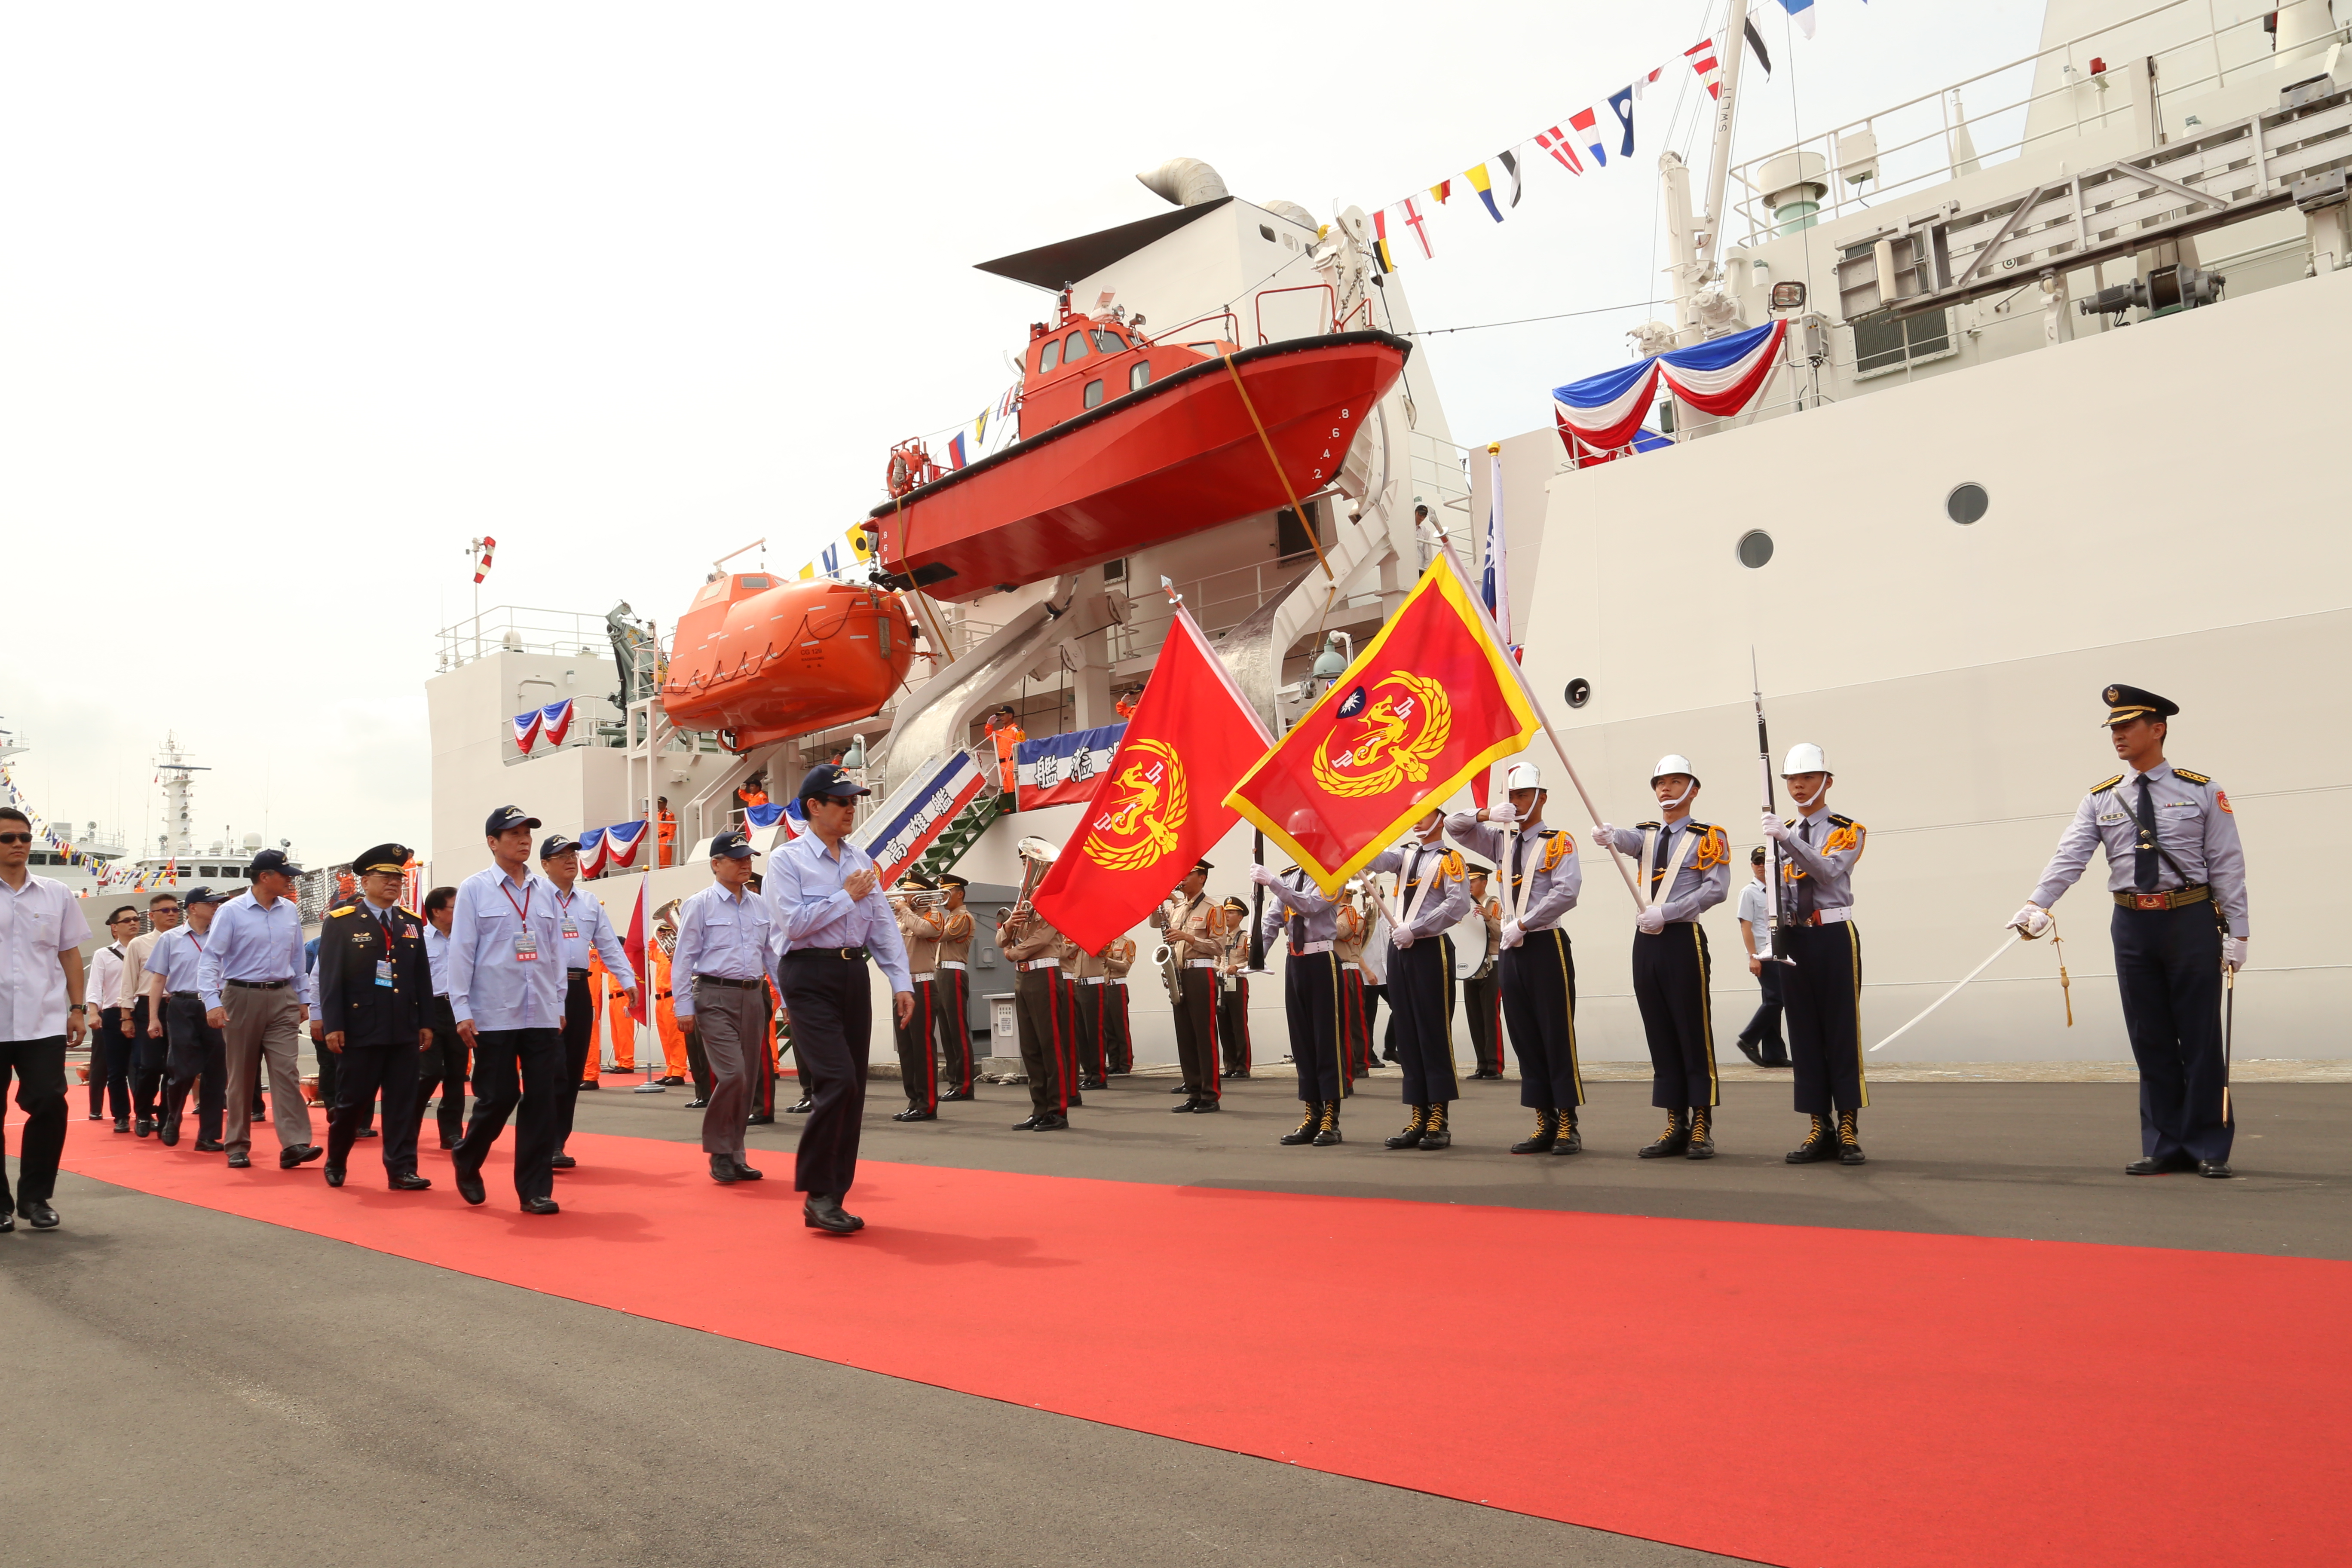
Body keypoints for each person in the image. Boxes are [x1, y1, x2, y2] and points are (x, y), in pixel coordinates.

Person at [2012, 685, 2248, 1179]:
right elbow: (2071, 856)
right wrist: (2038, 904)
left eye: (2127, 726)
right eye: (2113, 728)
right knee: (2150, 1036)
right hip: (2132, 923)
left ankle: (2207, 1144)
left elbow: (2227, 865)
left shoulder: (2202, 790)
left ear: (2157, 729)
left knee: (2200, 1036)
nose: (2117, 735)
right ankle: (2163, 1142)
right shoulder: (2101, 798)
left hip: (2190, 919)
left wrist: (2239, 933)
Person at [765, 765, 914, 1231]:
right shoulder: (786, 861)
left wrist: (900, 980)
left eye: (855, 800)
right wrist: (845, 897)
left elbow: (883, 924)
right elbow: (793, 925)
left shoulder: (860, 860)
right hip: (807, 973)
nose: (852, 808)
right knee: (837, 1079)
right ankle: (816, 1191)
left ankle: (833, 1195)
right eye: (843, 800)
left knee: (855, 1090)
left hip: (852, 972)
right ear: (814, 806)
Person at [1595, 755, 1732, 1160]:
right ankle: (1675, 1120)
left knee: (1692, 1029)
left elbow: (1716, 889)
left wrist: (1668, 912)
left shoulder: (1709, 836)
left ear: (1693, 789)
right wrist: (1608, 835)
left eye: (1675, 782)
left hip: (1681, 936)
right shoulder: (1648, 834)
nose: (1665, 789)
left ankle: (1702, 1123)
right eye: (1660, 783)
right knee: (1659, 1029)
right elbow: (1627, 840)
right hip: (1647, 941)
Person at [1449, 764, 1586, 1155]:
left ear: (1542, 797)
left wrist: (1524, 923)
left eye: (1524, 795)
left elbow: (1567, 892)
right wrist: (1486, 814)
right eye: (1511, 797)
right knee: (1524, 1035)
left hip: (1544, 941)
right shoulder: (1501, 841)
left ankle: (1567, 1124)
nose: (1517, 803)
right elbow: (1455, 827)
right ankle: (1543, 1120)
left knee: (1555, 1033)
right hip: (1512, 949)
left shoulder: (1559, 841)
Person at [446, 805, 570, 1215]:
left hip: (540, 1013)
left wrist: (559, 1003)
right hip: (494, 1013)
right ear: (492, 842)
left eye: (527, 833)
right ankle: (468, 1154)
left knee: (541, 1100)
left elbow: (555, 952)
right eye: (513, 834)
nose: (524, 840)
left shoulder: (546, 891)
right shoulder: (475, 889)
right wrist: (461, 1009)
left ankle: (535, 1189)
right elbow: (462, 951)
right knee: (498, 1097)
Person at [1758, 745, 1869, 1164]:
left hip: (1833, 933)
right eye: (1791, 780)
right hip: (1795, 939)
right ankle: (1817, 1124)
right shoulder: (1780, 830)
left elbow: (1825, 871)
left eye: (1806, 778)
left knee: (1840, 1030)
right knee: (1802, 1032)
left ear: (1827, 782)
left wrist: (1786, 840)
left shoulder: (1846, 829)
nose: (1798, 786)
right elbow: (1779, 888)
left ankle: (1848, 1125)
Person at [314, 844, 435, 1191]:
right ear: (365, 882)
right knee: (352, 1102)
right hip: (361, 1028)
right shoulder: (341, 922)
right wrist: (334, 1024)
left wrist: (426, 1021)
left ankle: (402, 1170)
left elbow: (421, 977)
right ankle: (337, 1159)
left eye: (399, 877)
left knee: (402, 1103)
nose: (395, 883)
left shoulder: (410, 923)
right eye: (386, 877)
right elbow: (331, 978)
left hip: (402, 1028)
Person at [199, 849, 322, 1172]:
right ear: (265, 877)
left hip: (282, 997)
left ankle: (295, 1143)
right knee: (241, 1074)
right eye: (285, 875)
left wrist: (303, 999)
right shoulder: (231, 912)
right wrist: (212, 1002)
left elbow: (297, 959)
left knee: (286, 1070)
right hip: (241, 996)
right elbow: (211, 958)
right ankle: (237, 1144)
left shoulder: (290, 910)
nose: (290, 881)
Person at [0, 805, 90, 1231]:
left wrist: (77, 1008)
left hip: (43, 1021)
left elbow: (69, 954)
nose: (18, 843)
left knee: (51, 1104)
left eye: (24, 836)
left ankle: (35, 1198)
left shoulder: (56, 894)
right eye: (7, 838)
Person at [674, 829, 776, 1183]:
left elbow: (771, 956)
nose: (746, 864)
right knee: (733, 1074)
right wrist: (683, 1007)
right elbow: (683, 959)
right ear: (716, 864)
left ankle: (736, 1153)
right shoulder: (699, 904)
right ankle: (719, 1150)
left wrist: (788, 998)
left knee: (748, 1080)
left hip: (753, 996)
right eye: (737, 859)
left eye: (748, 858)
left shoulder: (760, 904)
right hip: (713, 996)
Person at [1366, 810, 1470, 1150]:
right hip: (1401, 949)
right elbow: (1379, 860)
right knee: (1407, 1035)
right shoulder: (1406, 854)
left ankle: (1438, 1116)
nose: (1416, 820)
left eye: (1424, 816)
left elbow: (1459, 904)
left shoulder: (1449, 859)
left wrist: (1419, 928)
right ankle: (1418, 1114)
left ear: (1440, 819)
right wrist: (1357, 840)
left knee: (1433, 1032)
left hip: (1429, 947)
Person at [540, 833, 638, 1170]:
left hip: (578, 989)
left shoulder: (589, 902)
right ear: (545, 865)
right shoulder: (535, 899)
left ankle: (557, 1143)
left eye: (573, 854)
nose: (570, 859)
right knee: (550, 1069)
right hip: (543, 989)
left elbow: (609, 944)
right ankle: (540, 1138)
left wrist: (628, 980)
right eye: (561, 855)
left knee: (571, 1068)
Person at [1252, 860, 1345, 1147]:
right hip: (1295, 961)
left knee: (1326, 1040)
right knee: (1302, 1042)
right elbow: (1272, 919)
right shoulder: (1288, 876)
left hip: (1322, 960)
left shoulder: (1333, 875)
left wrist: (1274, 884)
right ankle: (1312, 1111)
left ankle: (1331, 1117)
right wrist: (1258, 956)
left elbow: (1310, 905)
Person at [144, 886, 230, 1149]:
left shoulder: (225, 938)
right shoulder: (171, 939)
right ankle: (172, 1117)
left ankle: (208, 1135)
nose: (217, 908)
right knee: (182, 1070)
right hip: (183, 1006)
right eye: (211, 904)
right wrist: (153, 1018)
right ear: (193, 908)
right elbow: (158, 979)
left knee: (217, 1073)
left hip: (217, 1005)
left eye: (218, 904)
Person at [1149, 860, 1224, 1113]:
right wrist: (1157, 901)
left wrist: (1189, 937)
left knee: (1204, 1035)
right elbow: (1154, 924)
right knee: (1185, 1035)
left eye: (1188, 874)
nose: (1182, 878)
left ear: (1202, 878)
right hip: (1179, 973)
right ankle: (1193, 1090)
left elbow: (1218, 947)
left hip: (1201, 972)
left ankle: (1210, 1094)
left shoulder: (1214, 908)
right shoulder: (1178, 907)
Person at [998, 896, 1072, 1130]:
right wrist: (1010, 925)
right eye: (1024, 862)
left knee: (1049, 1044)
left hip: (1044, 974)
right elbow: (1001, 940)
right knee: (1030, 1047)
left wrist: (1013, 953)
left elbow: (1042, 938)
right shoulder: (1022, 904)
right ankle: (1039, 1107)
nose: (1026, 867)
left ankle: (1057, 1110)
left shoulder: (1053, 902)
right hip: (1024, 976)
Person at [119, 891, 180, 1135]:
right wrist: (127, 1017)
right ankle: (144, 1113)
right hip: (147, 1006)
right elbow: (128, 982)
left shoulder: (185, 940)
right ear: (152, 916)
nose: (172, 915)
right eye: (166, 911)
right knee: (150, 1065)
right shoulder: (139, 944)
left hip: (179, 1006)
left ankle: (167, 1115)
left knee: (175, 1067)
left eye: (176, 910)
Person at [888, 876, 946, 1120]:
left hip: (922, 986)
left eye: (909, 894)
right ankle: (914, 1099)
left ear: (922, 895)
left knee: (922, 1047)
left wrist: (904, 911)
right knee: (907, 1048)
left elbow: (926, 931)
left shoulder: (933, 915)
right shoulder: (902, 918)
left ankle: (927, 1103)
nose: (904, 898)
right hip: (901, 988)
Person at [416, 885, 468, 1151]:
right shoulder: (418, 939)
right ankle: (408, 1124)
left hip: (459, 1010)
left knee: (457, 1074)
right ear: (436, 911)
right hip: (429, 1011)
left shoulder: (467, 938)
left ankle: (451, 1132)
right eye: (454, 907)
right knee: (430, 1072)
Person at [1734, 848, 1791, 1068]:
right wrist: (1752, 957)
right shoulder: (1749, 893)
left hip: (1781, 952)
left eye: (1764, 861)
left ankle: (1774, 1054)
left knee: (1772, 1001)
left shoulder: (1781, 890)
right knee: (1778, 998)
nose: (1760, 865)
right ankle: (1749, 1038)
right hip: (1763, 955)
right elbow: (1745, 926)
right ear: (1752, 865)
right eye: (1756, 862)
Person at [88, 906, 138, 1129]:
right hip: (113, 1013)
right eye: (127, 920)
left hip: (143, 1012)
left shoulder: (148, 949)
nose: (134, 923)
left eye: (136, 919)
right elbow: (95, 986)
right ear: (115, 928)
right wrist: (92, 1011)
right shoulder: (103, 954)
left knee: (144, 1067)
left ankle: (145, 1113)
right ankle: (121, 1116)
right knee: (116, 1069)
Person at [931, 874, 978, 1099]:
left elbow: (937, 935)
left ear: (960, 894)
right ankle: (954, 1082)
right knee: (947, 1032)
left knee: (958, 1031)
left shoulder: (964, 918)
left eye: (948, 893)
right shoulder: (948, 916)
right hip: (941, 973)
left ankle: (965, 1085)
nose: (944, 897)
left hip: (953, 973)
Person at [1459, 864, 1505, 1078]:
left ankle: (1495, 1065)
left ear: (1484, 883)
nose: (1469, 886)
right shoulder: (1464, 906)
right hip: (1471, 965)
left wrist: (1488, 918)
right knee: (1475, 1017)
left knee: (1490, 1015)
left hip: (1491, 964)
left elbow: (1501, 934)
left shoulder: (1493, 903)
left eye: (1474, 881)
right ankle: (1482, 1064)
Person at [1332, 886, 1372, 1081]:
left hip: (1348, 969)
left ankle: (1361, 1063)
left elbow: (1339, 932)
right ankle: (1346, 1062)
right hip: (1334, 970)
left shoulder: (1349, 913)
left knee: (1355, 1020)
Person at [1217, 896, 1254, 1080]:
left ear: (1240, 917)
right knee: (1223, 1026)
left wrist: (1237, 967)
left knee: (1239, 1025)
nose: (1227, 916)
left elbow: (1253, 963)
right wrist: (1218, 969)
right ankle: (1229, 1065)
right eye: (1225, 912)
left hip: (1238, 982)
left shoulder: (1246, 938)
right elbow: (1215, 958)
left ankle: (1242, 1067)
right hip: (1221, 983)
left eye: (1231, 913)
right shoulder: (1218, 936)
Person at [1100, 932, 1135, 1075]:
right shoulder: (1104, 943)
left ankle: (1125, 1063)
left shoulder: (1127, 943)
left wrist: (1107, 961)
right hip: (1104, 985)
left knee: (1120, 1026)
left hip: (1117, 986)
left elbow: (1125, 966)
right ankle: (1114, 1062)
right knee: (1108, 1027)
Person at [984, 707, 1025, 794]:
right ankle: (1009, 807)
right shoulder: (1001, 732)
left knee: (1013, 787)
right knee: (1005, 788)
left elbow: (1022, 747)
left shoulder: (1017, 731)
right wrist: (989, 725)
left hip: (1012, 763)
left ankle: (1015, 806)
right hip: (1002, 764)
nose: (1001, 718)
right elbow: (989, 735)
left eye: (1003, 715)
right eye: (1001, 716)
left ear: (1010, 716)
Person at [656, 797, 678, 869]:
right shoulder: (657, 814)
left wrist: (670, 839)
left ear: (665, 804)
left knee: (665, 859)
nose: (659, 805)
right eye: (658, 803)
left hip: (665, 838)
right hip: (658, 839)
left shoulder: (669, 814)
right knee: (658, 859)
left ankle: (666, 873)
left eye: (660, 803)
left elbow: (672, 827)